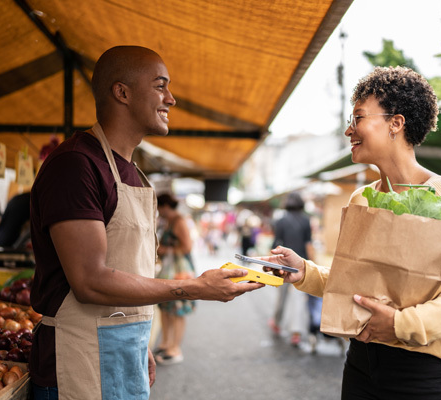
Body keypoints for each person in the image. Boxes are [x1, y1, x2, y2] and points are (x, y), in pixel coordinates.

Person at [29, 45, 263, 400]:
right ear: (121, 92)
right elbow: (90, 282)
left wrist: (139, 341)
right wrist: (196, 288)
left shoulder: (135, 174)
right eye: (160, 85)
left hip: (126, 351)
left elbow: (127, 269)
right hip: (76, 365)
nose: (171, 99)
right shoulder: (76, 164)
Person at [262, 66, 441, 399]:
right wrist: (304, 271)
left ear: (396, 123)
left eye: (358, 117)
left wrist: (403, 324)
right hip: (363, 364)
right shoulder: (361, 198)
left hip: (428, 374)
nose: (349, 129)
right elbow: (357, 285)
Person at [155, 193, 196, 365]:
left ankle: (175, 348)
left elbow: (187, 247)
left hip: (180, 270)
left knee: (178, 309)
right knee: (165, 307)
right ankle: (166, 343)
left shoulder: (179, 221)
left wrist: (166, 250)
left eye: (158, 207)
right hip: (170, 270)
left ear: (165, 206)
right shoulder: (169, 221)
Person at [268, 192, 313, 347]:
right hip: (301, 264)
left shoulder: (281, 221)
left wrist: (270, 264)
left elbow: (275, 244)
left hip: (283, 264)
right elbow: (308, 244)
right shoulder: (306, 220)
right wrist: (313, 264)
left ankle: (276, 322)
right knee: (298, 299)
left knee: (281, 296)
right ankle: (296, 332)